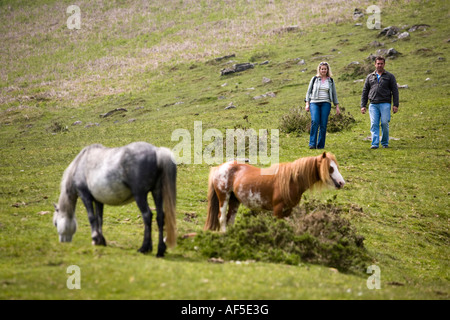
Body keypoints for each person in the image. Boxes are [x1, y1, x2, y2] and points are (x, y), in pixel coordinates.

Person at [361, 56, 399, 149]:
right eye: (378, 63)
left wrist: (395, 104)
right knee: (374, 124)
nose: (379, 65)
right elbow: (365, 91)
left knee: (385, 123)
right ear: (375, 64)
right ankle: (375, 143)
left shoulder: (390, 76)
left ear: (384, 64)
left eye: (381, 63)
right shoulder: (370, 77)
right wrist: (363, 105)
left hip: (385, 103)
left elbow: (395, 91)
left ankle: (385, 143)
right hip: (373, 104)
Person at [305, 62, 340, 149]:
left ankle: (320, 145)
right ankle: (312, 144)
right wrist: (307, 103)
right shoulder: (314, 79)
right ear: (319, 70)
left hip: (326, 103)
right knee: (315, 121)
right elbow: (308, 92)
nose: (323, 70)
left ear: (327, 70)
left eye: (325, 69)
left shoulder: (330, 81)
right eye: (322, 69)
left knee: (323, 124)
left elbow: (334, 94)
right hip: (314, 102)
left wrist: (337, 106)